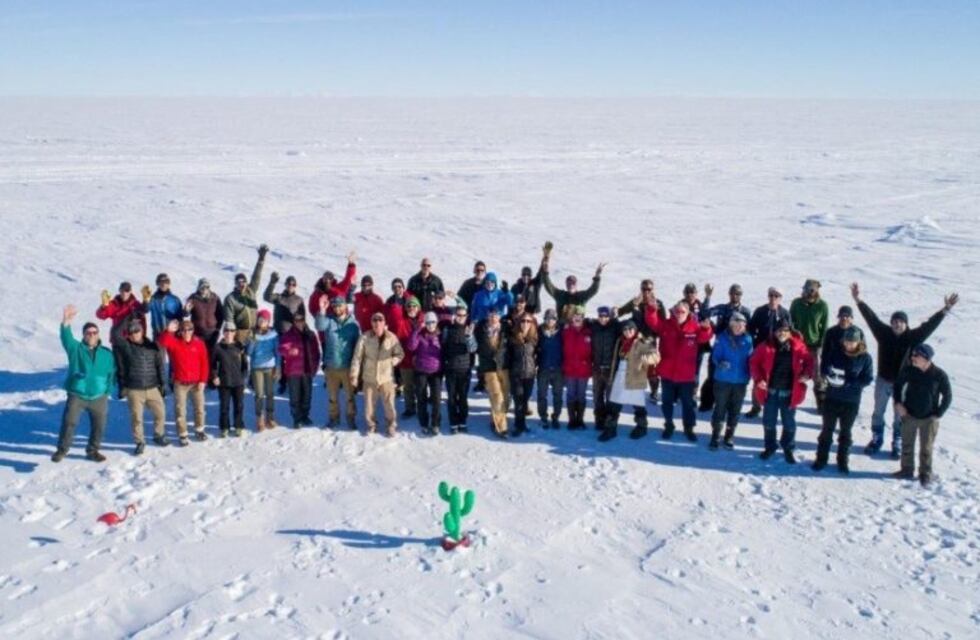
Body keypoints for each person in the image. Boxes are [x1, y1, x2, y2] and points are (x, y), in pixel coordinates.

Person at [851, 283, 957, 458]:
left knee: (899, 413)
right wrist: (858, 300)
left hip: (903, 384)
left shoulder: (913, 338)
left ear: (906, 324)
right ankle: (877, 437)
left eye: (900, 321)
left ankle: (897, 440)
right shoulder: (883, 333)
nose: (896, 324)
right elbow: (871, 318)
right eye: (894, 321)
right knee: (878, 411)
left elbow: (930, 325)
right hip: (883, 380)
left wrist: (945, 310)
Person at [52, 305, 115, 463]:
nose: (92, 335)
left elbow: (112, 373)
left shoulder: (106, 354)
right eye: (88, 333)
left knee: (99, 426)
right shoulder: (76, 349)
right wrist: (66, 322)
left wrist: (108, 390)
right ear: (84, 335)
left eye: (94, 332)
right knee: (69, 422)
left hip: (99, 396)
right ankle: (62, 450)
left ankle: (93, 451)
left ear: (98, 334)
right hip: (77, 394)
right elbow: (66, 338)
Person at [645, 299, 713, 441]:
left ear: (688, 312)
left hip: (686, 375)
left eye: (682, 311)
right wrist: (651, 310)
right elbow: (653, 322)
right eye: (677, 311)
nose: (679, 314)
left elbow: (704, 337)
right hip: (667, 374)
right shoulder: (666, 324)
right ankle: (669, 425)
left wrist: (707, 328)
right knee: (667, 402)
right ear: (673, 311)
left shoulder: (694, 327)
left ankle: (689, 427)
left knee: (688, 404)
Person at [749, 320, 813, 463]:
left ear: (789, 332)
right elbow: (754, 362)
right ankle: (770, 446)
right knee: (768, 422)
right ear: (774, 331)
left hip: (790, 393)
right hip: (770, 391)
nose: (781, 333)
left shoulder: (798, 346)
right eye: (779, 330)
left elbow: (809, 361)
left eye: (785, 330)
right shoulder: (766, 345)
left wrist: (807, 374)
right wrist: (759, 379)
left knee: (789, 423)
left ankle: (788, 447)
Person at [813, 326, 873, 473]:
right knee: (827, 430)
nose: (848, 344)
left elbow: (868, 378)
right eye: (846, 341)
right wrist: (829, 375)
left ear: (859, 342)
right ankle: (821, 459)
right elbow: (825, 366)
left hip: (851, 401)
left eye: (852, 341)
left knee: (845, 432)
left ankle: (842, 461)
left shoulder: (865, 358)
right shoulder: (836, 353)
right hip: (832, 397)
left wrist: (850, 383)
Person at [892, 344, 952, 486]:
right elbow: (897, 386)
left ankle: (925, 473)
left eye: (916, 356)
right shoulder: (909, 370)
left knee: (926, 447)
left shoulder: (939, 375)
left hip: (929, 418)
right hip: (909, 415)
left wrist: (938, 413)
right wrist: (898, 403)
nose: (912, 358)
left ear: (926, 358)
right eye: (913, 355)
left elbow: (948, 396)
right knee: (907, 444)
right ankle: (906, 469)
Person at [597, 321, 660, 442]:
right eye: (625, 329)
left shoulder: (642, 341)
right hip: (620, 374)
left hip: (635, 376)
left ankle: (642, 427)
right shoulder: (620, 341)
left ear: (635, 330)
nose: (628, 332)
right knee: (614, 403)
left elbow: (655, 357)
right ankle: (610, 429)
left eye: (630, 329)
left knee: (638, 404)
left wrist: (645, 357)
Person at [114, 317, 167, 455]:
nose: (134, 334)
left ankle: (158, 435)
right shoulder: (126, 347)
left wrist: (163, 384)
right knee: (137, 418)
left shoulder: (152, 346)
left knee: (160, 413)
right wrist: (126, 320)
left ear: (142, 331)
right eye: (130, 332)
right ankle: (139, 442)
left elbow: (160, 366)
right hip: (134, 389)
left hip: (152, 386)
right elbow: (115, 335)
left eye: (136, 331)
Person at [699, 283, 752, 411]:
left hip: (737, 350)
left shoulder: (745, 311)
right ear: (729, 294)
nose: (735, 296)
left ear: (741, 295)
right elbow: (705, 313)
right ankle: (706, 403)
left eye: (738, 294)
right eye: (733, 293)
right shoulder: (722, 308)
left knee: (732, 379)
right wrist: (707, 297)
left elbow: (748, 330)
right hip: (721, 346)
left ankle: (727, 404)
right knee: (713, 375)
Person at [350, 313, 405, 436]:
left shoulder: (391, 337)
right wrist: (354, 374)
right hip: (369, 377)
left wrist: (393, 361)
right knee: (369, 405)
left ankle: (391, 425)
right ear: (371, 323)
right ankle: (371, 425)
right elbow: (357, 358)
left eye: (380, 320)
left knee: (389, 404)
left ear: (384, 323)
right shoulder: (365, 337)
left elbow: (400, 354)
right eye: (374, 320)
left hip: (386, 377)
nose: (377, 323)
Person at [159, 318, 211, 445]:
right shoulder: (175, 343)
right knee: (180, 410)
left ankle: (199, 430)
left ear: (193, 330)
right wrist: (168, 331)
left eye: (190, 329)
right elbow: (162, 342)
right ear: (180, 331)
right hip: (180, 383)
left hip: (196, 383)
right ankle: (183, 434)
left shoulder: (199, 343)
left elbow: (204, 362)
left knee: (199, 408)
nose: (187, 332)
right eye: (184, 330)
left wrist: (203, 380)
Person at [745, 287, 792, 418]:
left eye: (776, 296)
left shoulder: (785, 313)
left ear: (780, 298)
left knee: (775, 381)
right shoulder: (760, 311)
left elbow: (790, 331)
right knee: (758, 379)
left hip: (779, 353)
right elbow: (751, 328)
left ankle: (772, 407)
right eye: (771, 295)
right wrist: (754, 343)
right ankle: (756, 406)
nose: (773, 298)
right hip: (761, 350)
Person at [709, 312, 754, 450]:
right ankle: (715, 435)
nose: (738, 327)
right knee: (720, 408)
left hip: (740, 381)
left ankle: (729, 435)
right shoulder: (722, 338)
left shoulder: (748, 340)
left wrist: (752, 374)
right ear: (731, 324)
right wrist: (720, 362)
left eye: (741, 325)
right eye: (736, 324)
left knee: (735, 410)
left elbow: (751, 359)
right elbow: (715, 356)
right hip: (723, 380)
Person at [315, 296, 362, 429]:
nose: (337, 309)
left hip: (347, 367)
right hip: (331, 366)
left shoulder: (353, 324)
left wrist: (356, 367)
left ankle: (351, 418)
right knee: (332, 397)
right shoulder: (329, 321)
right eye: (334, 306)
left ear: (345, 307)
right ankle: (334, 418)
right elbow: (319, 325)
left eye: (339, 306)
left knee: (350, 397)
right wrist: (322, 310)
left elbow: (357, 346)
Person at [616, 280, 666, 401]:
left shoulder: (658, 303)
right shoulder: (636, 302)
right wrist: (629, 307)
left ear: (653, 290)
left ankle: (654, 392)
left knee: (651, 367)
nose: (646, 292)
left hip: (650, 339)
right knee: (635, 365)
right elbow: (620, 312)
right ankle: (633, 392)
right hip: (636, 339)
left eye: (649, 289)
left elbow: (663, 323)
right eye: (644, 289)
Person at [789, 279, 830, 412]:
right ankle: (789, 398)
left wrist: (821, 344)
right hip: (797, 344)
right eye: (807, 289)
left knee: (817, 375)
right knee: (793, 372)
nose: (809, 292)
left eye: (812, 290)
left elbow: (824, 327)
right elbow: (790, 322)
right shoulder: (796, 303)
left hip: (814, 345)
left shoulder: (822, 306)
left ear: (817, 290)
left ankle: (821, 403)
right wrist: (793, 334)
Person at [278, 311, 321, 428]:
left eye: (301, 319)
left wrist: (315, 367)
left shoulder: (311, 335)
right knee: (295, 396)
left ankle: (305, 416)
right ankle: (296, 418)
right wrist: (288, 351)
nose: (299, 322)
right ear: (293, 322)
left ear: (304, 320)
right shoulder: (288, 335)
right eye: (296, 320)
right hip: (293, 371)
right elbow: (281, 349)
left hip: (307, 370)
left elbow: (316, 352)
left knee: (307, 395)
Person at [541, 247, 605, 322]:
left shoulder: (582, 296)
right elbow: (549, 286)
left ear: (576, 284)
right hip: (563, 327)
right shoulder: (560, 295)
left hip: (577, 328)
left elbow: (593, 290)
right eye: (569, 283)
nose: (571, 285)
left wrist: (597, 276)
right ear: (566, 285)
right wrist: (545, 273)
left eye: (573, 283)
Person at [441, 304, 477, 434]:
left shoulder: (469, 330)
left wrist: (469, 337)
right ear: (454, 316)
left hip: (464, 369)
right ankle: (453, 422)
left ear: (466, 317)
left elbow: (473, 349)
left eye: (463, 315)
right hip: (451, 369)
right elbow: (443, 347)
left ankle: (462, 420)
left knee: (462, 397)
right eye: (458, 315)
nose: (460, 317)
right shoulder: (447, 329)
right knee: (451, 398)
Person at [408, 311, 444, 435]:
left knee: (436, 399)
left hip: (436, 372)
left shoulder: (441, 335)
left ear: (436, 322)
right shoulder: (420, 334)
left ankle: (435, 423)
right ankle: (424, 422)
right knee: (421, 398)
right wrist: (416, 330)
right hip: (421, 370)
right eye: (427, 322)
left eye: (433, 322)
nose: (430, 325)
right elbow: (411, 347)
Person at [476, 308, 510, 437]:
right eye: (490, 316)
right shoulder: (480, 329)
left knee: (505, 396)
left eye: (495, 316)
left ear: (500, 317)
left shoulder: (506, 328)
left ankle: (496, 416)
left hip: (504, 366)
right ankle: (501, 427)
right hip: (488, 367)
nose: (493, 318)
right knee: (497, 395)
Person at [224, 244, 268, 344]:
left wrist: (261, 260)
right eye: (239, 282)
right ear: (235, 283)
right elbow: (229, 319)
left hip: (253, 331)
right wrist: (231, 336)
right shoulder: (231, 298)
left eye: (243, 281)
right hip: (240, 332)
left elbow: (256, 277)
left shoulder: (250, 291)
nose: (241, 284)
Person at [212, 322, 249, 437]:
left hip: (238, 382)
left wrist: (243, 378)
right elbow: (212, 364)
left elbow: (245, 364)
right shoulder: (218, 347)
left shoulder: (239, 346)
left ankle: (238, 426)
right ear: (223, 332)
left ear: (235, 333)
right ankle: (224, 427)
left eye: (232, 331)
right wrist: (215, 376)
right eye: (227, 331)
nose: (229, 333)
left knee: (239, 405)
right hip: (224, 382)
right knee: (224, 406)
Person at [389, 296, 422, 417]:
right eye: (409, 306)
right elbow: (395, 313)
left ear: (418, 307)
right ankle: (410, 408)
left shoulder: (423, 321)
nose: (411, 308)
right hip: (406, 359)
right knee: (408, 386)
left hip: (421, 360)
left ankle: (421, 406)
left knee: (420, 386)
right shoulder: (401, 321)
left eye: (414, 306)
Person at [589, 305, 620, 430]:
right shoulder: (594, 327)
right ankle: (599, 419)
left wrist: (616, 316)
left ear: (609, 316)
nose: (603, 318)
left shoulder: (614, 327)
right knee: (597, 396)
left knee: (611, 397)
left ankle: (610, 421)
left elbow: (624, 326)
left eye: (606, 316)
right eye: (601, 316)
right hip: (597, 369)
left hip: (610, 370)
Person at [247, 309, 280, 431]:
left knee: (270, 393)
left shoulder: (273, 335)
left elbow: (277, 352)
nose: (262, 322)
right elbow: (249, 353)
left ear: (268, 322)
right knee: (259, 394)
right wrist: (252, 342)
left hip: (270, 367)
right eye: (260, 320)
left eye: (265, 320)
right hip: (257, 368)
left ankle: (270, 417)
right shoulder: (253, 334)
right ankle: (260, 418)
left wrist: (278, 367)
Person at [507, 312, 539, 437]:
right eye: (523, 321)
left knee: (525, 400)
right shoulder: (513, 337)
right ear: (519, 322)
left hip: (530, 374)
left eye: (528, 321)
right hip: (516, 374)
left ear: (532, 324)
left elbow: (538, 354)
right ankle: (518, 425)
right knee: (518, 400)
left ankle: (523, 423)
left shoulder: (535, 338)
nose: (525, 323)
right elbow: (507, 356)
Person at [562, 307, 593, 430]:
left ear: (583, 318)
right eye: (575, 317)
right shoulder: (566, 331)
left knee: (581, 395)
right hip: (570, 369)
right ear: (571, 318)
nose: (577, 318)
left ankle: (580, 419)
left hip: (583, 370)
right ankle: (571, 420)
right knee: (570, 395)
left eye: (580, 316)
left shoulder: (589, 331)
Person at [536, 309, 564, 429]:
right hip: (543, 368)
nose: (550, 321)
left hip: (558, 369)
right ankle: (543, 417)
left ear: (556, 320)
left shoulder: (561, 332)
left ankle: (556, 417)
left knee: (557, 395)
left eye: (552, 318)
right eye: (547, 318)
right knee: (542, 395)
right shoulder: (539, 331)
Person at [96, 281, 147, 346]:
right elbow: (101, 315)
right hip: (118, 340)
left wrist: (142, 338)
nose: (124, 293)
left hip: (133, 340)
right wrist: (104, 306)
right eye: (122, 290)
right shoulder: (114, 304)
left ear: (130, 291)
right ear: (119, 291)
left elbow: (143, 318)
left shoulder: (136, 304)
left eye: (127, 290)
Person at [309, 252, 357, 319]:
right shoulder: (316, 294)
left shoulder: (339, 288)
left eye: (330, 278)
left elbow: (349, 279)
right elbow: (312, 309)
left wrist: (351, 264)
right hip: (326, 325)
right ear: (322, 279)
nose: (328, 280)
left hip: (341, 323)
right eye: (326, 278)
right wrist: (322, 318)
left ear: (333, 280)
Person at [185, 278, 224, 356]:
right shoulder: (193, 298)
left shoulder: (215, 298)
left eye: (207, 287)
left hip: (212, 333)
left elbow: (221, 315)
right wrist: (186, 310)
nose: (204, 289)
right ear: (199, 287)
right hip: (198, 334)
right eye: (202, 287)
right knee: (199, 355)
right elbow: (185, 314)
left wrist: (218, 329)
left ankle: (211, 368)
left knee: (211, 355)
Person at [147, 273, 184, 339]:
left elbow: (180, 317)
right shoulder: (152, 299)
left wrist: (179, 331)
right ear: (157, 283)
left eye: (166, 282)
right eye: (161, 282)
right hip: (158, 335)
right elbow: (145, 310)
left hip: (172, 335)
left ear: (169, 283)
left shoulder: (175, 299)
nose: (164, 284)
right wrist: (145, 301)